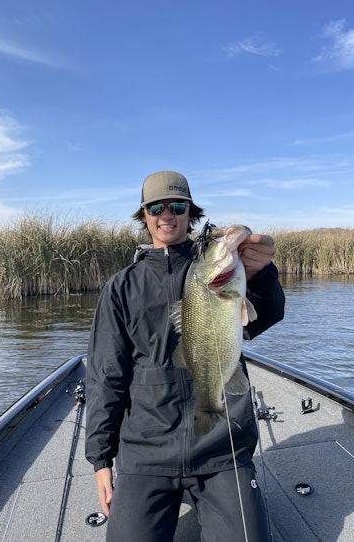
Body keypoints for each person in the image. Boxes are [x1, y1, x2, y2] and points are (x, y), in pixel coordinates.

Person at [85, 170, 285, 542]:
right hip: (146, 450)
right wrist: (100, 459)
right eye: (156, 207)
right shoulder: (121, 287)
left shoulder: (217, 268)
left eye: (177, 206)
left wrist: (261, 274)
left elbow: (265, 315)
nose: (167, 214)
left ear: (190, 213)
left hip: (221, 448)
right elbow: (106, 373)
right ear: (144, 215)